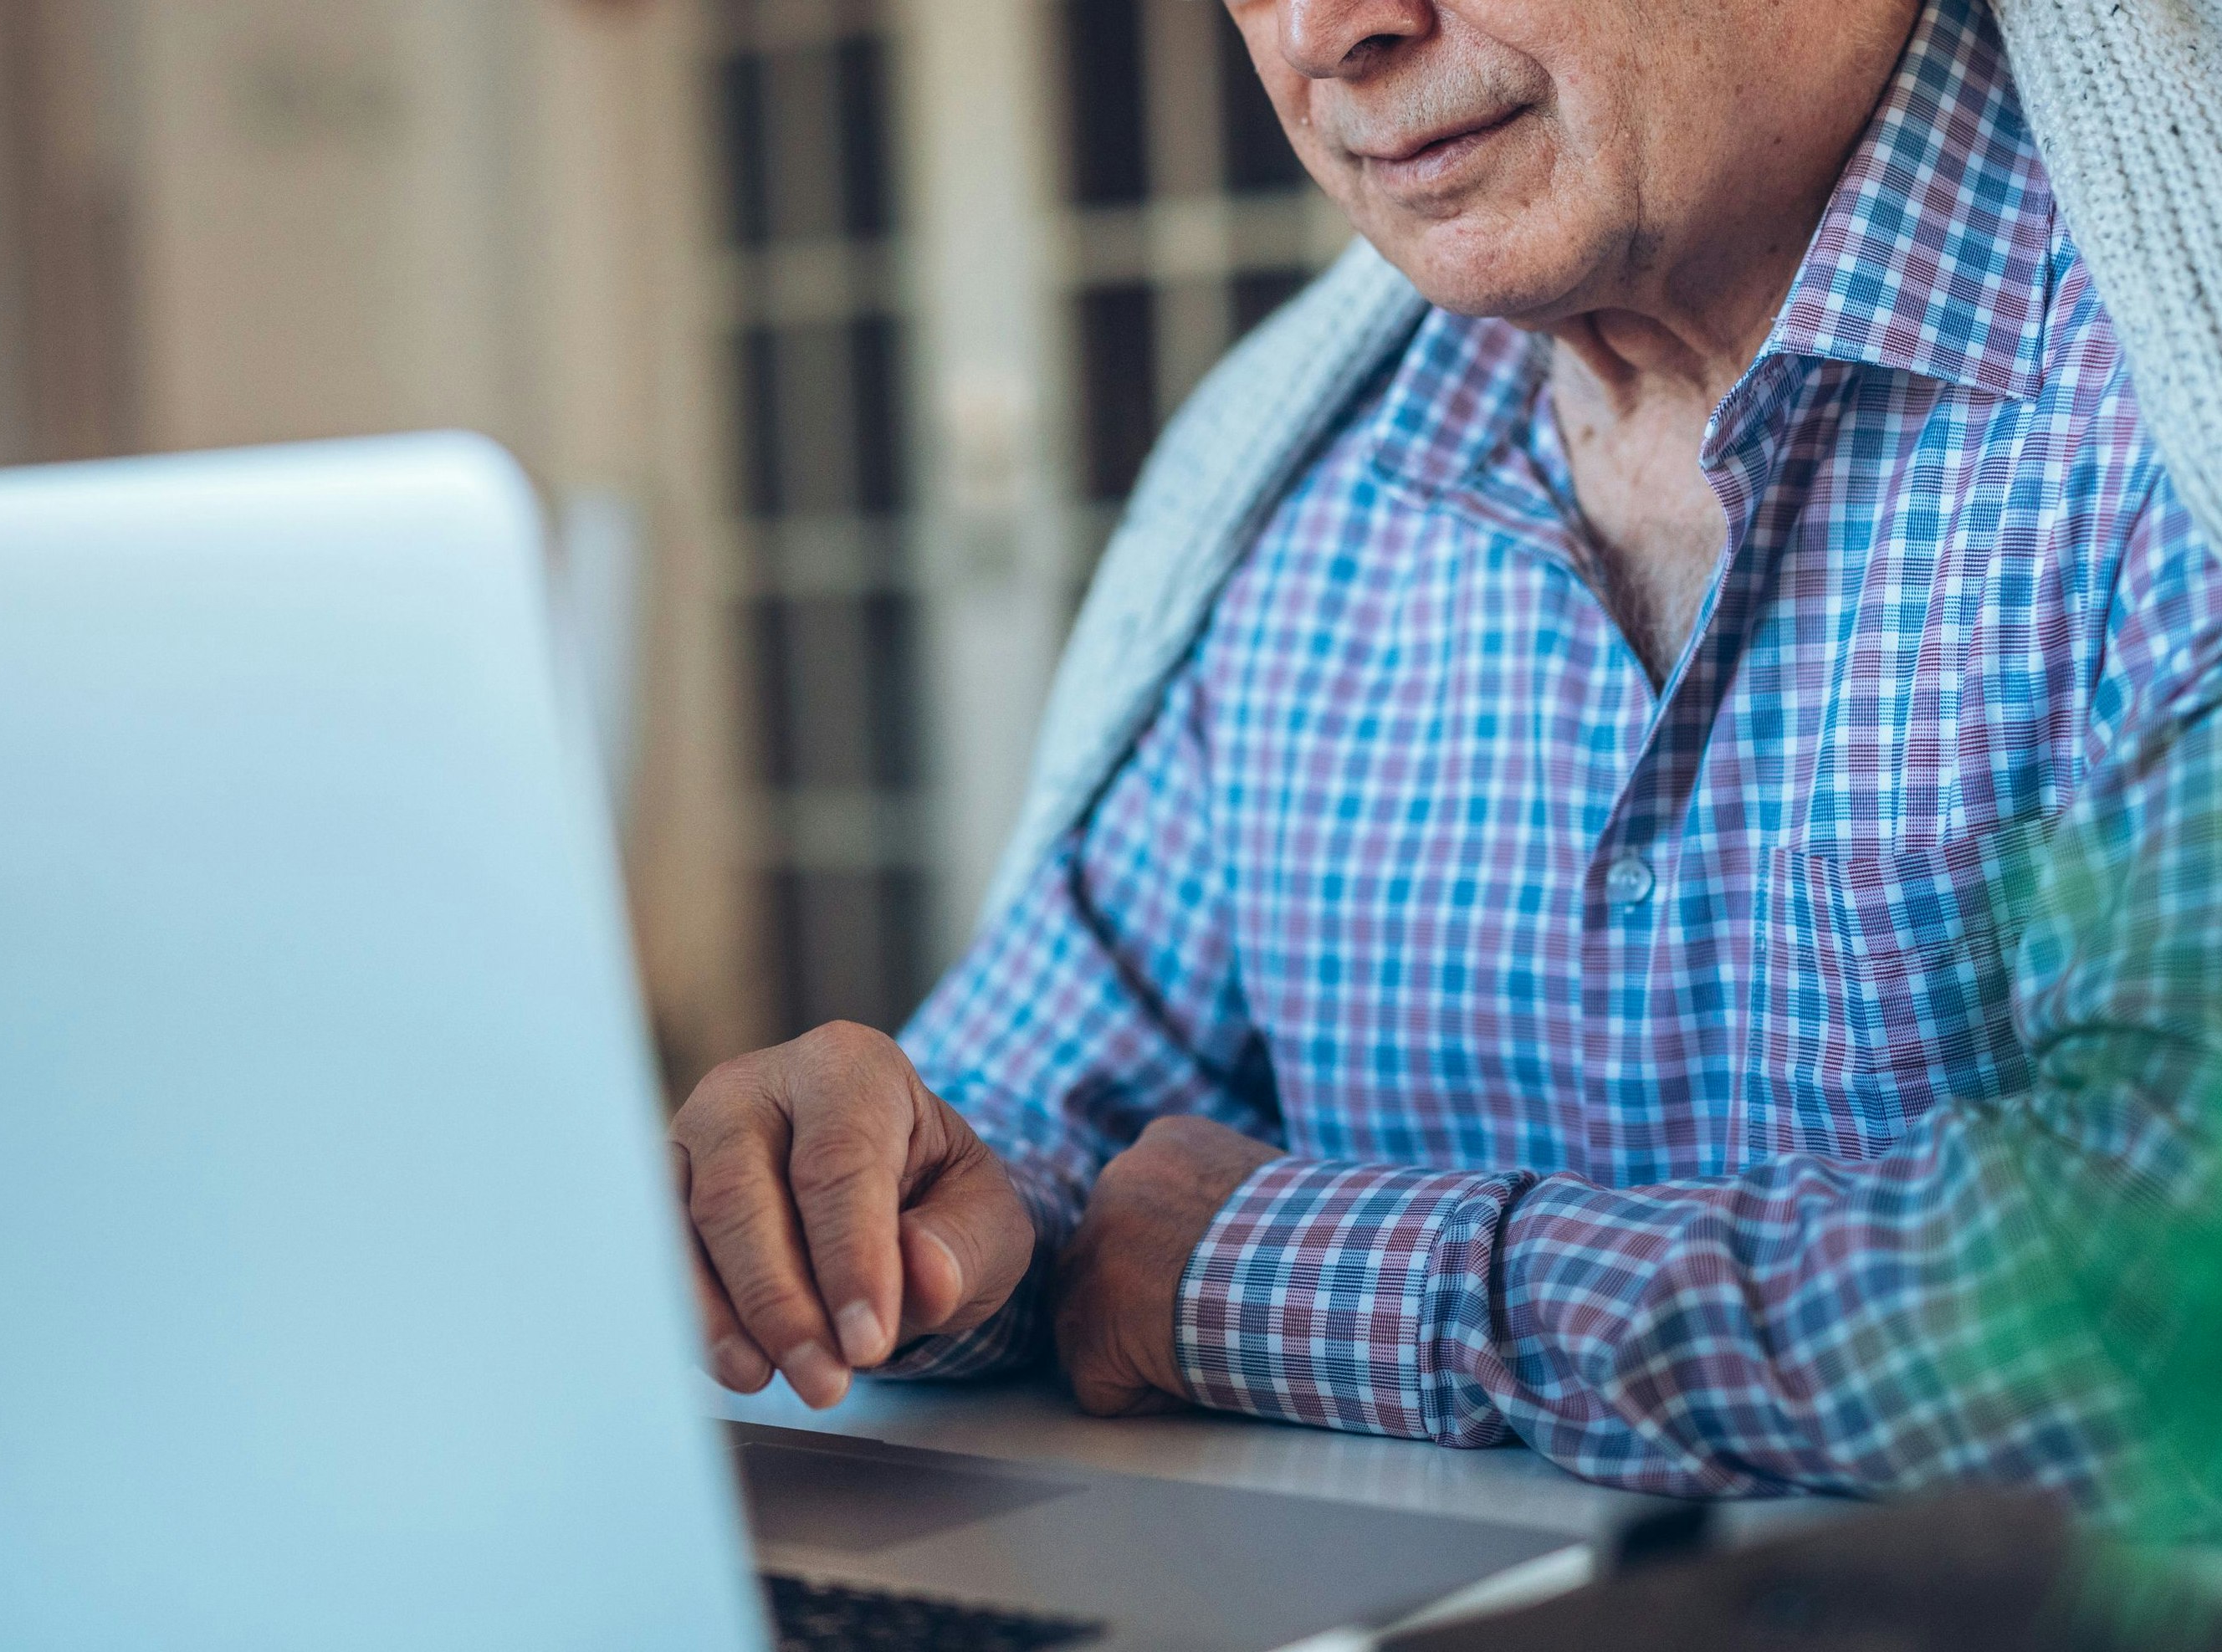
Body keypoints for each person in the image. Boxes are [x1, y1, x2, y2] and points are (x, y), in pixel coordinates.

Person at [671, 0, 2222, 1501]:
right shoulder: (1290, 475)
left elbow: (2171, 1280)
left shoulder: (2180, 393)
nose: (1321, 30)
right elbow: (1052, 1127)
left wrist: (1276, 1279)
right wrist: (879, 1203)